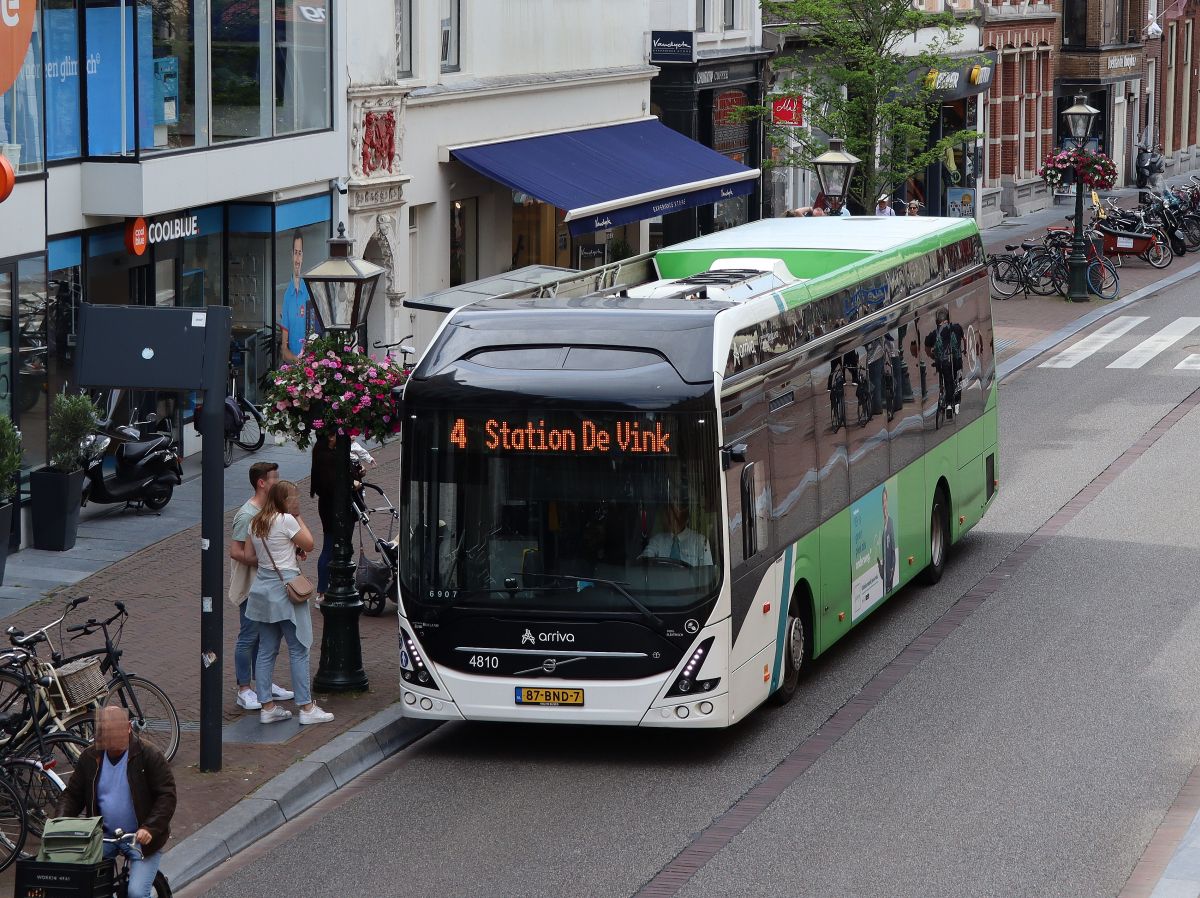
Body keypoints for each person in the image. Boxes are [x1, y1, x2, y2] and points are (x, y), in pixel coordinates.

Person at [59, 706, 177, 898]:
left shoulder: (149, 755)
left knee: (137, 893)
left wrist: (150, 828)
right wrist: (61, 824)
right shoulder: (90, 757)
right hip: (103, 837)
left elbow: (167, 796)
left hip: (140, 840)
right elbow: (73, 795)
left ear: (128, 728)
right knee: (83, 884)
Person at [244, 480, 334, 725]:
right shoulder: (286, 520)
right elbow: (310, 544)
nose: (297, 501)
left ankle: (267, 706)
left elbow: (251, 556)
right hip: (287, 589)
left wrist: (284, 551)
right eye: (294, 498)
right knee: (299, 648)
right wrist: (298, 517)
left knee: (266, 650)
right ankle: (306, 707)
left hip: (263, 588)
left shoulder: (256, 522)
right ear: (284, 501)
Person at [229, 461, 293, 711]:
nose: (278, 481)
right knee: (248, 636)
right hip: (252, 585)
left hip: (266, 584)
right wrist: (266, 560)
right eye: (275, 478)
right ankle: (244, 688)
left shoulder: (271, 509)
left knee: (265, 636)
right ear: (262, 483)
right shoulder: (247, 515)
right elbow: (235, 551)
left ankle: (264, 683)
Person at [279, 231, 319, 363]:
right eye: (295, 253)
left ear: (303, 256)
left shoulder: (310, 292)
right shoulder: (287, 297)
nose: (297, 259)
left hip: (312, 368)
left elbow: (316, 335)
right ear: (291, 255)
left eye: (300, 253)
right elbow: (283, 350)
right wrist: (298, 362)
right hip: (294, 370)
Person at [640, 499, 713, 567]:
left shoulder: (701, 541)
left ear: (686, 517)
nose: (670, 519)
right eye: (667, 514)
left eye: (675, 516)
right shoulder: (657, 540)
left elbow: (706, 573)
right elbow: (644, 559)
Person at [310, 434, 337, 601]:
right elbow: (332, 483)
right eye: (335, 435)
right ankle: (322, 591)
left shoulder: (322, 454)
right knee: (329, 545)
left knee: (331, 544)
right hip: (331, 507)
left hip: (328, 505)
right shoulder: (327, 457)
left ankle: (327, 587)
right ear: (330, 438)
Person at [924, 308, 965, 417]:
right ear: (948, 318)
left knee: (947, 381)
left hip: (942, 362)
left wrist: (933, 356)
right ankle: (956, 403)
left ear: (937, 321)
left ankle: (948, 405)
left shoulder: (933, 334)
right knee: (958, 379)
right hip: (956, 359)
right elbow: (964, 339)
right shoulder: (957, 327)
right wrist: (964, 351)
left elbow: (927, 349)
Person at [878, 487, 897, 593]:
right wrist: (880, 568)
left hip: (889, 573)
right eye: (882, 501)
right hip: (884, 573)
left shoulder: (890, 522)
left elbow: (893, 550)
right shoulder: (881, 525)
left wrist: (892, 571)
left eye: (885, 501)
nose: (884, 504)